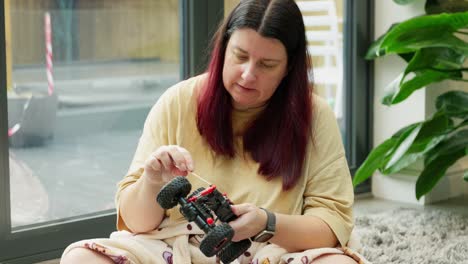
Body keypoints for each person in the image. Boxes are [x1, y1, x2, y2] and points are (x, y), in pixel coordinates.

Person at [61, 0, 368, 263]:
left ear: (288, 68)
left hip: (269, 251)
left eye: (267, 64)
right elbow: (137, 225)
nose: (248, 75)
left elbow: (331, 226)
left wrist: (266, 222)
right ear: (223, 50)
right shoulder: (178, 101)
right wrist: (152, 181)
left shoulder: (314, 116)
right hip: (174, 247)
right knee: (80, 258)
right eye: (240, 56)